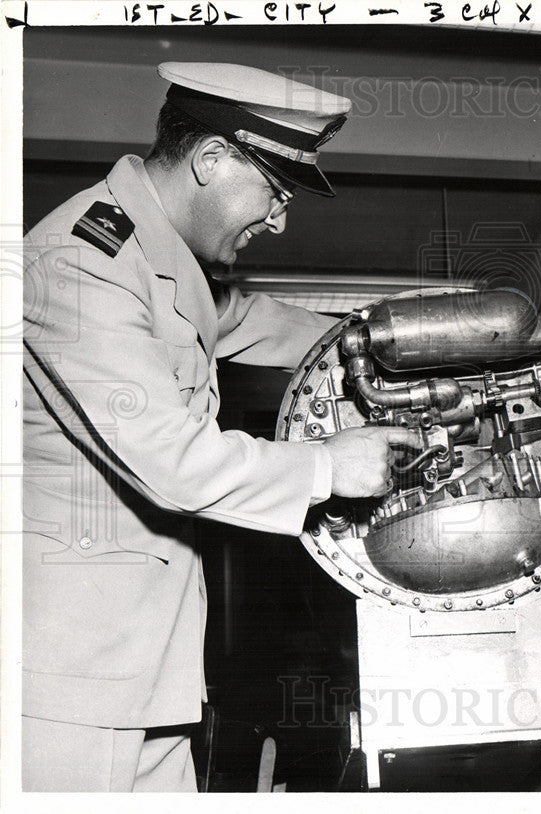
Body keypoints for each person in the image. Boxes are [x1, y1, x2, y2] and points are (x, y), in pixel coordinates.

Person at [21, 62, 421, 792]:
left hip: (147, 674)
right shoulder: (81, 263)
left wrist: (399, 345)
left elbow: (257, 323)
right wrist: (329, 466)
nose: (279, 217)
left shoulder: (165, 260)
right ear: (211, 159)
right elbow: (173, 461)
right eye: (274, 188)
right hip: (69, 691)